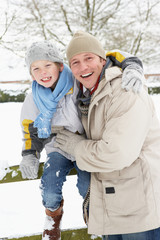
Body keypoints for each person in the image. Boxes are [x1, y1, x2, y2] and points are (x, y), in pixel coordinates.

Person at [20, 40, 144, 240]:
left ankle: (94, 218)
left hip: (84, 145)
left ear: (60, 66)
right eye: (36, 68)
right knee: (50, 186)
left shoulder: (76, 81)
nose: (43, 72)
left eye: (48, 65)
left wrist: (133, 66)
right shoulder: (33, 98)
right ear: (31, 73)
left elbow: (109, 57)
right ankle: (53, 219)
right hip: (58, 148)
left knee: (87, 185)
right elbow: (30, 129)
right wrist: (29, 155)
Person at [54, 31, 160, 240]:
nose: (83, 67)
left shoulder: (125, 90)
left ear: (102, 60)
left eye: (89, 58)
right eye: (75, 62)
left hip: (139, 206)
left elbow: (116, 153)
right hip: (113, 205)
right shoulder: (87, 93)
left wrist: (76, 147)